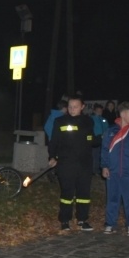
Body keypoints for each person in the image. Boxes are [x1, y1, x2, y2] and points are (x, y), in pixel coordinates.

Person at [48, 96, 95, 231]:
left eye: (75, 107)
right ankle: (65, 220)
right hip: (66, 163)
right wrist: (52, 156)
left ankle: (82, 219)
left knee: (83, 193)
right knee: (67, 193)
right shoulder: (60, 121)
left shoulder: (88, 121)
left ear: (82, 107)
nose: (72, 109)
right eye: (70, 107)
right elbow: (54, 141)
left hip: (84, 163)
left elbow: (91, 139)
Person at [101, 102, 129, 235]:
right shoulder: (111, 131)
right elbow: (105, 150)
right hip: (113, 171)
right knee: (112, 198)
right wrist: (104, 166)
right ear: (123, 114)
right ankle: (110, 223)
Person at [90, 103, 109, 175]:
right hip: (95, 140)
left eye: (100, 110)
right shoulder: (91, 119)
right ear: (94, 111)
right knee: (94, 155)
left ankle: (99, 169)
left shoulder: (103, 119)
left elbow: (107, 128)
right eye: (98, 110)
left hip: (104, 140)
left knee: (101, 155)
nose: (99, 112)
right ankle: (93, 170)